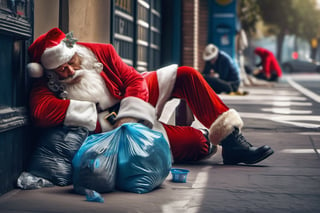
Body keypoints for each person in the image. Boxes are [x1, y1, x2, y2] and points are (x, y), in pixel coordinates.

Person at [27, 28, 273, 165]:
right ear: (49, 71)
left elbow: (133, 79)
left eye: (72, 62)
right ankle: (204, 137)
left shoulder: (101, 52)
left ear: (77, 52)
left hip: (132, 102)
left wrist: (130, 112)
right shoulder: (47, 81)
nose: (70, 71)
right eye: (61, 69)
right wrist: (112, 120)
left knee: (186, 74)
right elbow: (40, 112)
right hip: (110, 128)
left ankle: (232, 141)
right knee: (198, 145)